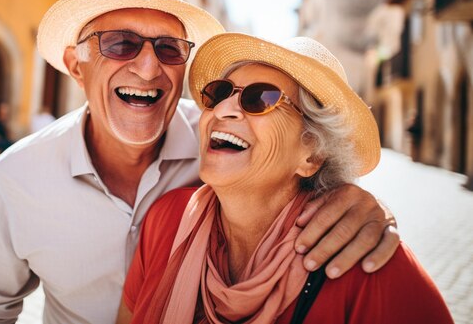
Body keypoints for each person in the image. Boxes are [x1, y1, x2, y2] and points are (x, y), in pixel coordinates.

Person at [0, 0, 399, 324]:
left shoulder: (223, 149)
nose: (148, 69)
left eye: (168, 48)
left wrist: (353, 199)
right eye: (121, 43)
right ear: (76, 63)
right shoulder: (17, 175)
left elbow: (296, 171)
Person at [118, 34, 453, 324]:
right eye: (220, 93)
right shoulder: (165, 221)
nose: (223, 110)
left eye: (260, 98)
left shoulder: (371, 265)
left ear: (312, 154)